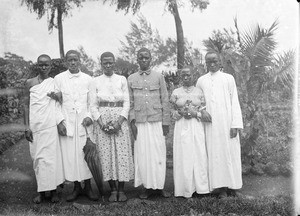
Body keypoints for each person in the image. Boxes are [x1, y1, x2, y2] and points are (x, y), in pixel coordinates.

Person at [196, 51, 243, 198]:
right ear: (206, 63)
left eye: (215, 60)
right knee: (215, 154)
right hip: (210, 125)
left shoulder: (229, 79)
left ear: (220, 61)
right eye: (208, 61)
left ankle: (233, 186)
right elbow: (197, 101)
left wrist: (235, 124)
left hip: (227, 122)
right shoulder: (201, 80)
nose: (212, 63)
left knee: (231, 152)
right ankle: (220, 187)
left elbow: (234, 101)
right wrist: (202, 111)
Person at [89, 52, 134, 202]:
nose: (108, 66)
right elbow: (93, 105)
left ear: (114, 63)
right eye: (105, 63)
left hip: (119, 119)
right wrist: (101, 124)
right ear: (101, 64)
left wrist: (119, 122)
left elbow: (127, 102)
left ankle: (121, 189)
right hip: (102, 119)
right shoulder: (95, 81)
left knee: (121, 154)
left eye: (110, 63)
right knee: (106, 154)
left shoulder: (122, 79)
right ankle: (112, 189)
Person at [54, 50, 97, 201]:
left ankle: (88, 187)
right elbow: (55, 103)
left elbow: (92, 102)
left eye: (75, 59)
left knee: (85, 155)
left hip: (84, 124)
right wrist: (59, 121)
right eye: (69, 60)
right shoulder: (59, 79)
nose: (72, 62)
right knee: (71, 157)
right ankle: (77, 188)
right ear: (66, 62)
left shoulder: (88, 79)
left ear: (80, 61)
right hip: (68, 123)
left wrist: (89, 117)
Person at [127, 47, 170, 199]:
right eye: (141, 58)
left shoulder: (159, 77)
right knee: (143, 153)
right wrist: (132, 121)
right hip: (140, 122)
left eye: (146, 57)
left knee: (158, 153)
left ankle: (159, 187)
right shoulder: (131, 78)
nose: (144, 60)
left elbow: (165, 99)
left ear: (150, 59)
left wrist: (166, 122)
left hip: (156, 120)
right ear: (137, 60)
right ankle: (146, 186)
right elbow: (130, 102)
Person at [24, 54, 64, 204]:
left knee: (51, 159)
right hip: (35, 126)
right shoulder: (29, 83)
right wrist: (27, 127)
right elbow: (25, 106)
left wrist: (56, 96)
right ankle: (41, 192)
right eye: (41, 65)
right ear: (37, 65)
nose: (44, 67)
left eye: (47, 65)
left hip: (50, 125)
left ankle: (53, 191)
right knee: (38, 159)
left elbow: (61, 100)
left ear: (51, 66)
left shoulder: (54, 82)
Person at [170, 66, 212, 198]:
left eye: (188, 75)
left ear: (193, 76)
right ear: (180, 77)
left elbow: (204, 111)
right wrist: (178, 113)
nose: (186, 78)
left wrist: (196, 113)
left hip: (196, 125)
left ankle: (201, 188)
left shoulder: (199, 92)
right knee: (183, 155)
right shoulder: (176, 92)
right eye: (183, 75)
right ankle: (185, 189)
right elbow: (171, 111)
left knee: (199, 154)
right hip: (181, 126)